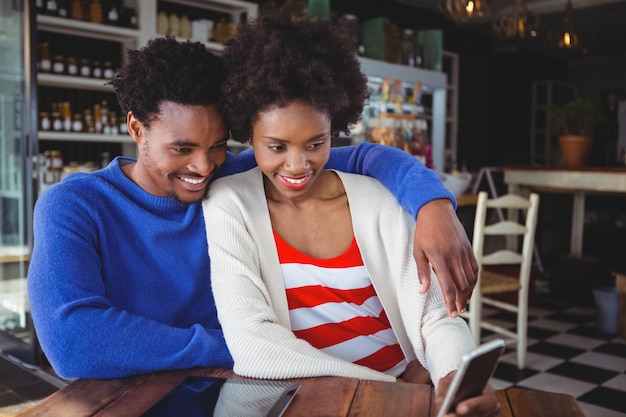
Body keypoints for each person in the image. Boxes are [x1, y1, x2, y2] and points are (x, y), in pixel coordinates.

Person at [27, 33, 475, 380]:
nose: (202, 167)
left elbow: (363, 156)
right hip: (136, 393)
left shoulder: (233, 177)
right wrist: (242, 343)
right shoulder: (74, 205)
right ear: (136, 128)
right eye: (181, 148)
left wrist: (434, 205)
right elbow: (73, 345)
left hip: (237, 389)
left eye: (217, 145)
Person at [204, 6, 499, 417]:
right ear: (247, 135)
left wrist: (451, 376)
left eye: (315, 143)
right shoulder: (229, 204)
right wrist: (399, 389)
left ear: (334, 129)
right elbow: (256, 347)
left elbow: (436, 319)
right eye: (276, 147)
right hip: (316, 402)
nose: (297, 166)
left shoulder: (378, 199)